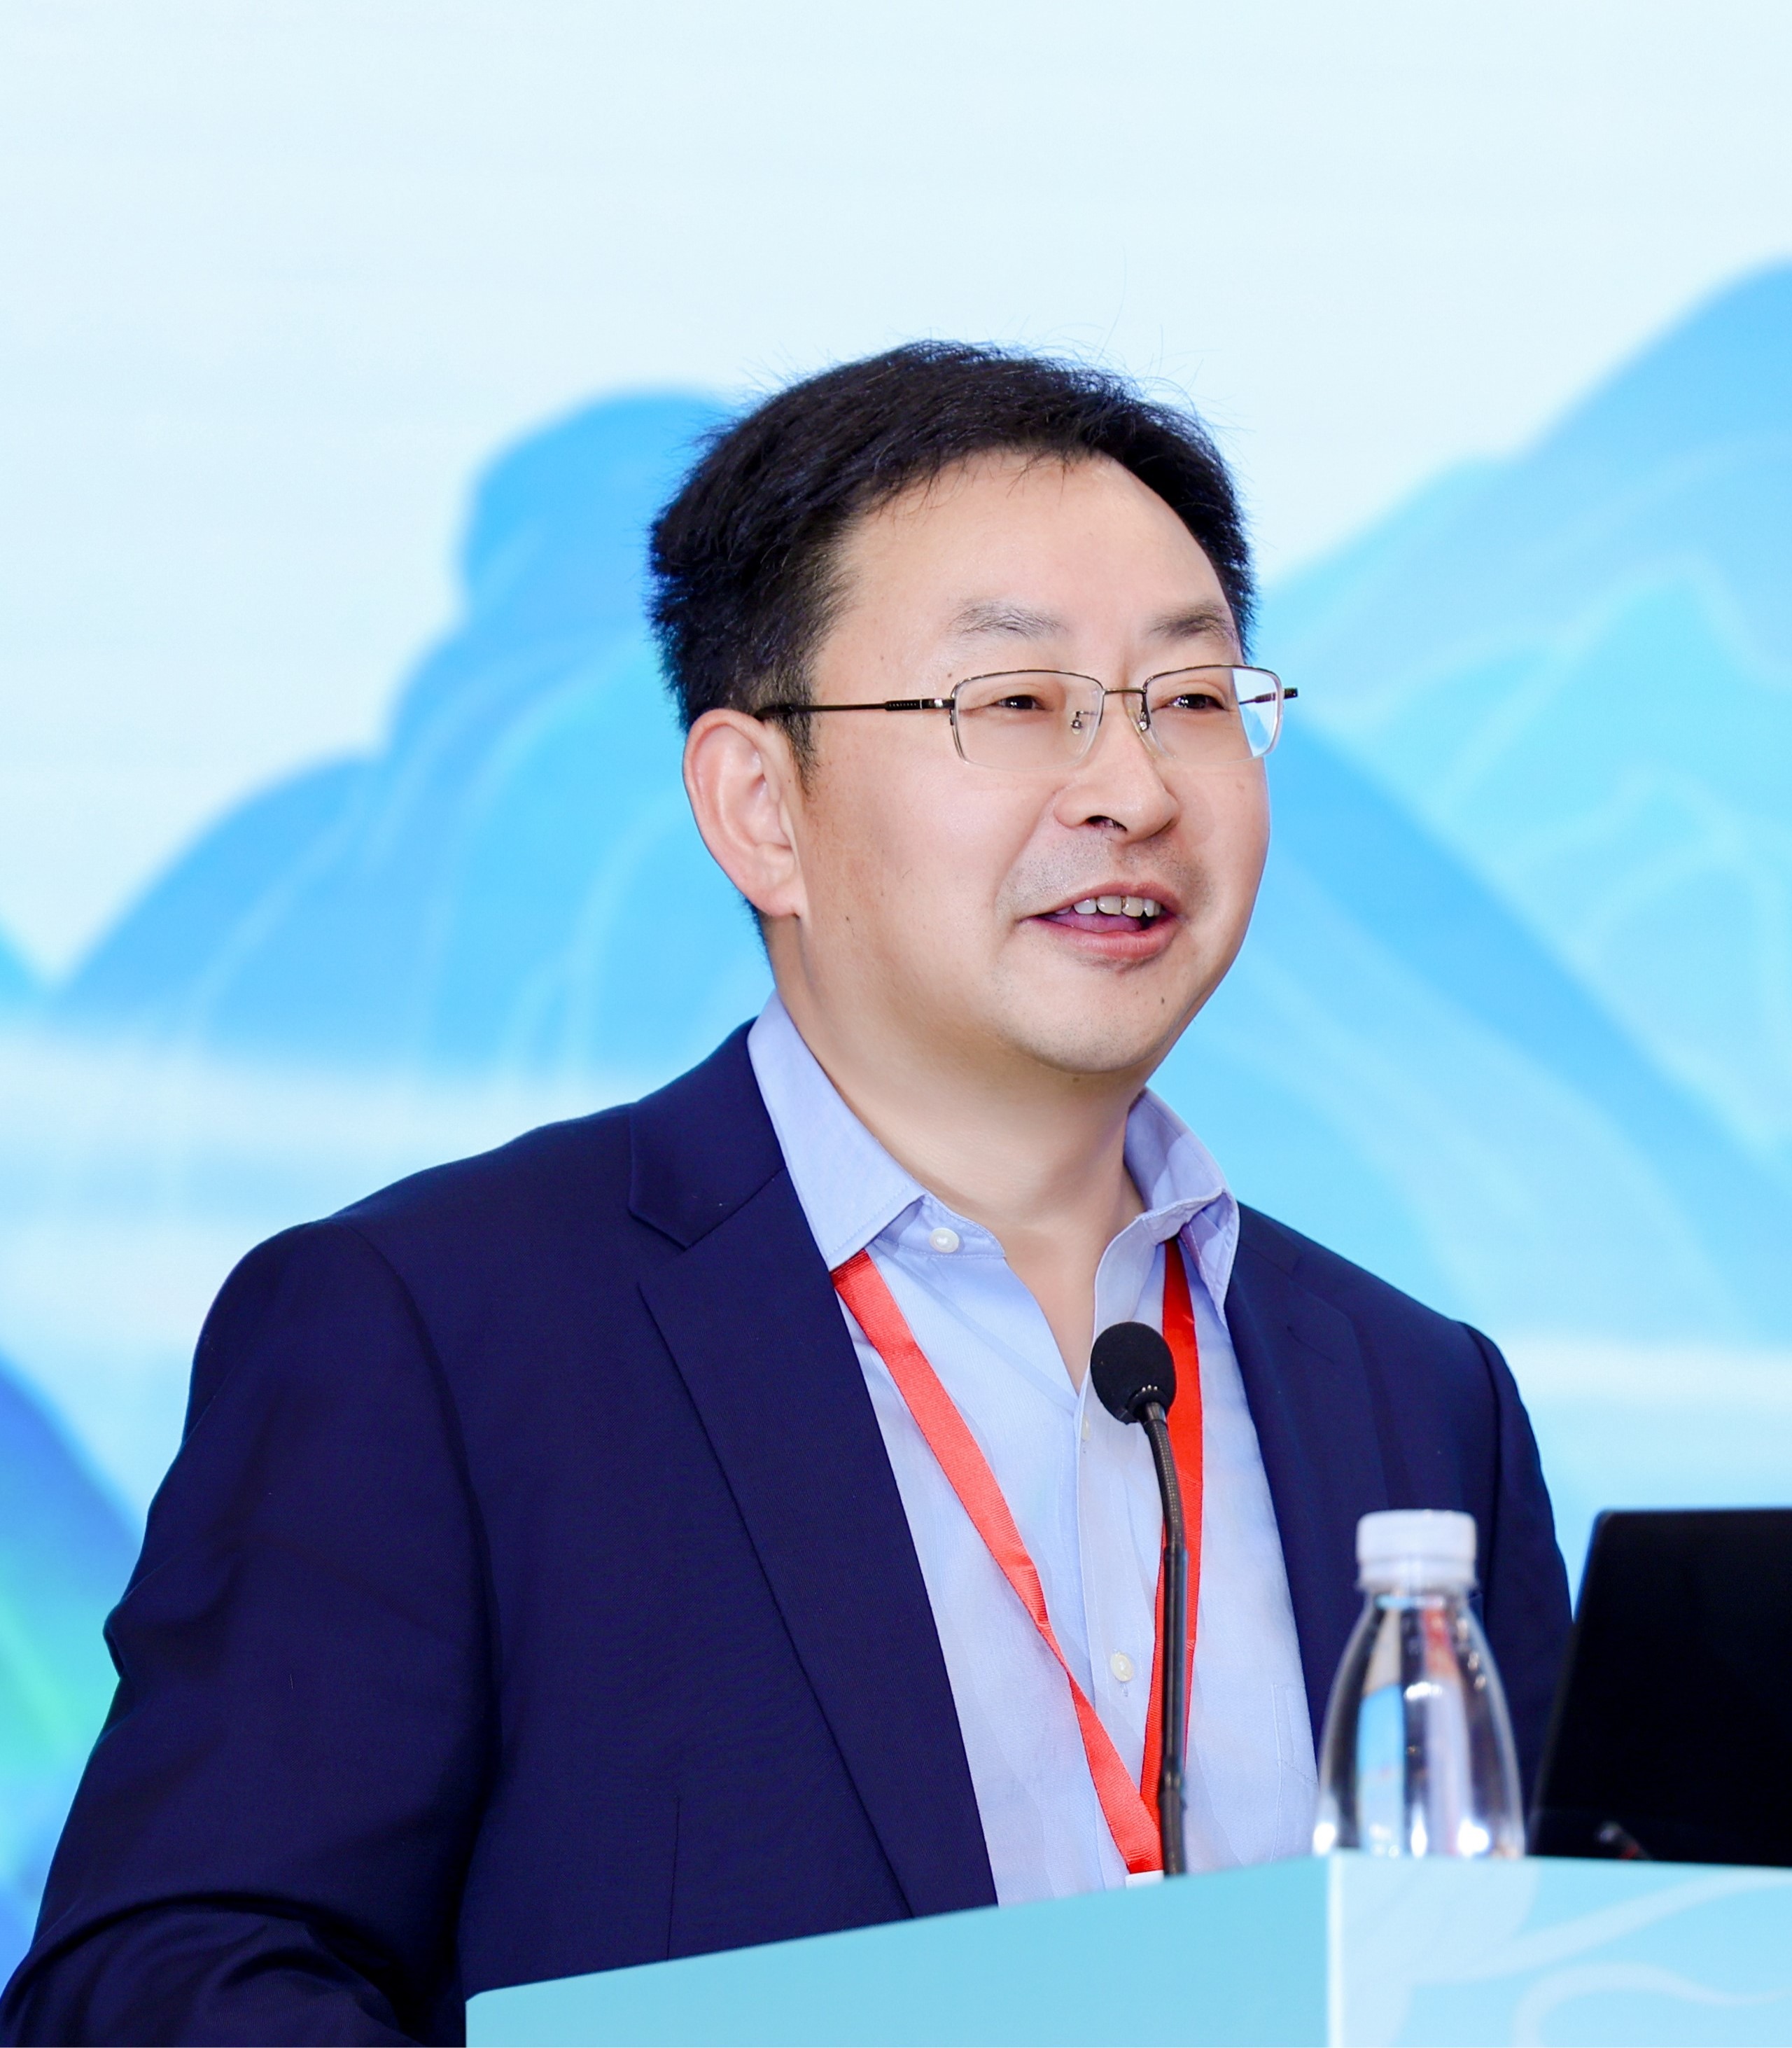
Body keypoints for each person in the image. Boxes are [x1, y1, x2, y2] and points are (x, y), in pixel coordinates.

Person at [1, 344, 1569, 2047]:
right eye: (1014, 701)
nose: (1130, 787)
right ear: (759, 807)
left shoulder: (1414, 1393)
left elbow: (1586, 1973)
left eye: (1189, 698)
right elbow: (158, 1983)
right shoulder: (439, 1336)